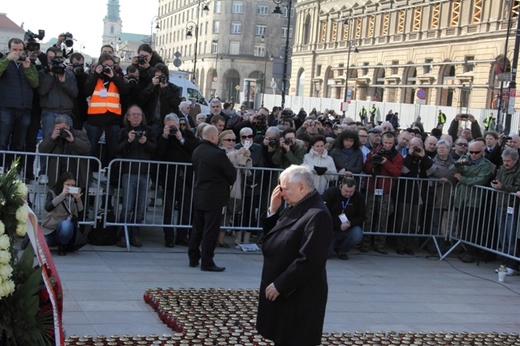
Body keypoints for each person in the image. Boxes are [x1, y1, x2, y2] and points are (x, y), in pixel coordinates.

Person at [257, 165, 332, 346]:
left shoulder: (317, 214)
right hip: (287, 291)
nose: (281, 193)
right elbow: (274, 238)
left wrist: (281, 284)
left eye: (285, 188)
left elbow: (309, 259)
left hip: (299, 294)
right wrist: (273, 211)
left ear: (301, 187)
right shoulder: (298, 205)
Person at [188, 125, 237, 272]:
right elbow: (231, 174)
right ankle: (207, 261)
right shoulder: (218, 154)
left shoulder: (197, 151)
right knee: (210, 229)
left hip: (199, 194)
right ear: (214, 137)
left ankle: (193, 257)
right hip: (214, 196)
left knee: (197, 228)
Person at [115, 105, 156, 248]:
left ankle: (135, 234)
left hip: (145, 174)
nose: (136, 117)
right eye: (133, 114)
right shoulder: (123, 131)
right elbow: (118, 151)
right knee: (127, 207)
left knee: (141, 208)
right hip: (129, 173)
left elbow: (155, 150)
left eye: (138, 114)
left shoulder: (149, 131)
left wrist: (145, 142)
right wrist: (129, 141)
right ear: (128, 117)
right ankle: (122, 235)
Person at [155, 113, 199, 247]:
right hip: (169, 178)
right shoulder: (162, 136)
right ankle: (169, 237)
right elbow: (158, 152)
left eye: (174, 126)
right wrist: (164, 136)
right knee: (168, 209)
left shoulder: (187, 134)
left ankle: (182, 236)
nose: (172, 129)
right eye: (169, 127)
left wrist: (181, 139)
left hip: (186, 177)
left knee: (185, 209)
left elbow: (195, 147)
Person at [450, 140, 494, 263]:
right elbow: (451, 169)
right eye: (471, 152)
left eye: (476, 152)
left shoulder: (486, 165)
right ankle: (465, 248)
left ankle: (471, 252)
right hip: (462, 196)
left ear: (482, 151)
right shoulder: (465, 158)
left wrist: (462, 178)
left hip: (474, 199)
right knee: (462, 225)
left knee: (471, 226)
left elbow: (479, 180)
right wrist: (460, 164)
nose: (473, 154)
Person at [0, 38, 39, 168]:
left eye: (20, 50)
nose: (18, 52)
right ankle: (1, 169)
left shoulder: (29, 64)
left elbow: (35, 83)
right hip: (6, 107)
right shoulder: (3, 62)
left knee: (19, 143)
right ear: (9, 49)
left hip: (24, 109)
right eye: (14, 50)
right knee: (2, 141)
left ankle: (13, 172)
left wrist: (27, 68)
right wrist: (7, 60)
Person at [84, 52, 128, 168]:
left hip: (112, 119)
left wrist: (113, 76)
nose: (109, 68)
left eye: (111, 66)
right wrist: (96, 74)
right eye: (106, 65)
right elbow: (87, 90)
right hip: (95, 119)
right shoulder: (94, 77)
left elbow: (124, 90)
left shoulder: (116, 78)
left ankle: (112, 178)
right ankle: (87, 176)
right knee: (90, 149)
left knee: (114, 151)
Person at [363, 131, 404, 254]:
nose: (387, 145)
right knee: (368, 217)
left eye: (390, 143)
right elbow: (366, 168)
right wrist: (374, 163)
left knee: (383, 218)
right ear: (382, 141)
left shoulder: (397, 156)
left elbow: (396, 172)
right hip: (371, 188)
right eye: (385, 142)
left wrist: (385, 162)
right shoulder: (374, 151)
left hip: (385, 190)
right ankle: (365, 243)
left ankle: (379, 243)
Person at [38, 114, 91, 191]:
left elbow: (87, 148)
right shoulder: (53, 136)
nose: (62, 131)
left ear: (69, 126)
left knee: (77, 201)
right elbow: (42, 149)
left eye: (64, 129)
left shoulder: (79, 134)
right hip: (57, 177)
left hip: (76, 176)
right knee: (55, 200)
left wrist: (73, 141)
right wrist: (52, 138)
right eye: (58, 129)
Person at [218, 129, 251, 248]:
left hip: (234, 187)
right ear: (221, 141)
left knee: (228, 213)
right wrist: (237, 154)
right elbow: (224, 159)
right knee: (217, 213)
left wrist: (246, 158)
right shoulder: (219, 151)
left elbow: (246, 170)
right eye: (228, 140)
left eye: (233, 140)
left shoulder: (237, 151)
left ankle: (221, 239)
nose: (231, 142)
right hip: (220, 186)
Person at [41, 171, 83, 256]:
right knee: (42, 246)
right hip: (50, 229)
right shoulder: (52, 193)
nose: (70, 187)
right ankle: (54, 243)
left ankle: (62, 245)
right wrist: (62, 195)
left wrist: (78, 199)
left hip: (65, 227)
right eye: (67, 185)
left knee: (66, 225)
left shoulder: (74, 197)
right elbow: (48, 207)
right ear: (62, 184)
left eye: (72, 185)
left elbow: (81, 215)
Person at [322, 177, 364, 260]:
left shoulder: (358, 197)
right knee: (327, 255)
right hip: (330, 228)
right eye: (346, 191)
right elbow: (323, 214)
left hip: (348, 227)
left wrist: (350, 223)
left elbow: (362, 216)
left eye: (351, 191)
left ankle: (342, 250)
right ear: (340, 186)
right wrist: (338, 225)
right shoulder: (330, 193)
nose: (348, 194)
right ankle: (330, 247)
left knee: (357, 233)